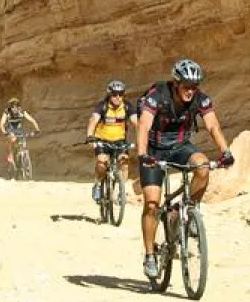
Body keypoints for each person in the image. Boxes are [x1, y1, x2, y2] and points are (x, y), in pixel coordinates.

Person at [135, 59, 234, 279]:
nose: (191, 90)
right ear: (176, 83)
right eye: (186, 86)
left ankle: (189, 209)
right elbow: (143, 125)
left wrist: (225, 152)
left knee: (203, 166)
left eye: (194, 86)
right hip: (153, 149)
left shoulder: (200, 98)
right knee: (152, 204)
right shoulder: (157, 95)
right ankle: (150, 255)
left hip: (180, 145)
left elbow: (212, 125)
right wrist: (142, 155)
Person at [85, 80, 138, 202]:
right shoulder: (102, 106)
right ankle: (98, 184)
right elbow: (93, 120)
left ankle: (121, 191)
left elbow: (136, 123)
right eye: (114, 94)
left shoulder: (127, 106)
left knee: (124, 162)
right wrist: (89, 136)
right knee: (101, 162)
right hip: (102, 140)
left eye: (121, 94)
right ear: (109, 94)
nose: (118, 97)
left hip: (119, 140)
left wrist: (141, 139)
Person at [0, 97, 40, 172]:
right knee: (12, 138)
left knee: (23, 139)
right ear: (10, 107)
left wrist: (37, 129)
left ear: (18, 107)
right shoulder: (7, 112)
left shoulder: (22, 111)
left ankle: (24, 159)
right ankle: (10, 155)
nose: (14, 109)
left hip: (19, 130)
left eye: (15, 107)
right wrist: (5, 132)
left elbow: (32, 120)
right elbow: (1, 124)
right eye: (12, 107)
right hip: (10, 129)